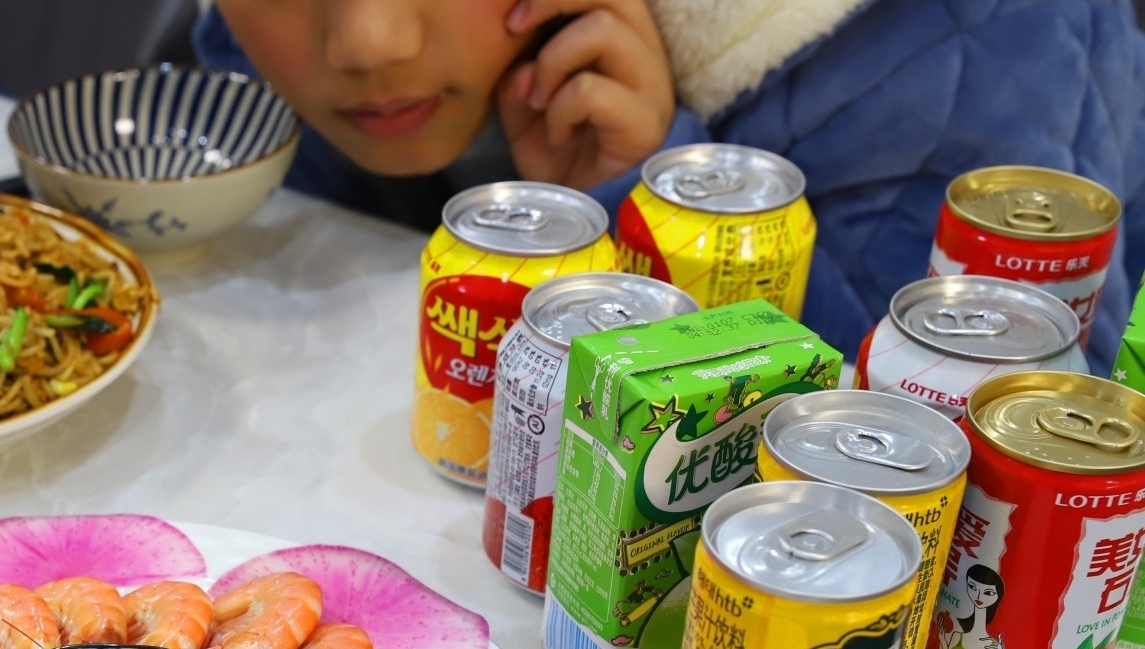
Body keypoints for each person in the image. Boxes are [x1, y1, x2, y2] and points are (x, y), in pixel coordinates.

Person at [195, 0, 1145, 372]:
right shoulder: (245, 39)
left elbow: (989, 456)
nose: (370, 43)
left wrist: (647, 203)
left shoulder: (969, 32)